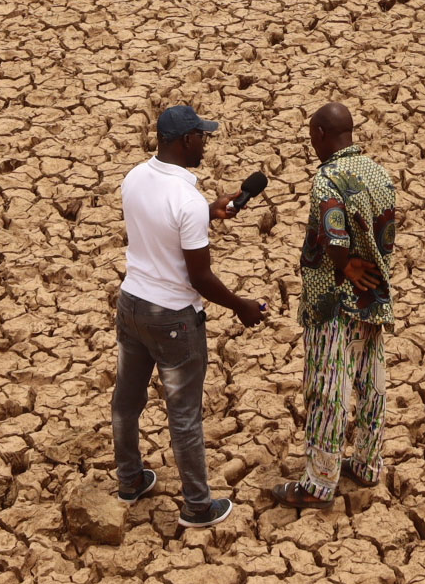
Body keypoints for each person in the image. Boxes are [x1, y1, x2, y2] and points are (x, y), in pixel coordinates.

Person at [112, 105, 266, 529]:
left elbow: (158, 230)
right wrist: (242, 307)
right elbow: (200, 277)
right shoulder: (187, 200)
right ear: (185, 142)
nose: (206, 142)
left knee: (127, 401)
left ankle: (130, 481)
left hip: (131, 305)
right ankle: (197, 505)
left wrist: (209, 213)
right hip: (174, 321)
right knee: (184, 416)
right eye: (202, 136)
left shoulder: (135, 177)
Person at [271, 102, 395, 509]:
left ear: (321, 135)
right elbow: (386, 232)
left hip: (333, 303)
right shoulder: (378, 172)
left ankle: (319, 483)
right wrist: (369, 268)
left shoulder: (328, 179)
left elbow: (335, 235)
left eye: (312, 134)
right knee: (370, 382)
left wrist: (346, 265)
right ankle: (366, 463)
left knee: (328, 388)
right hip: (371, 299)